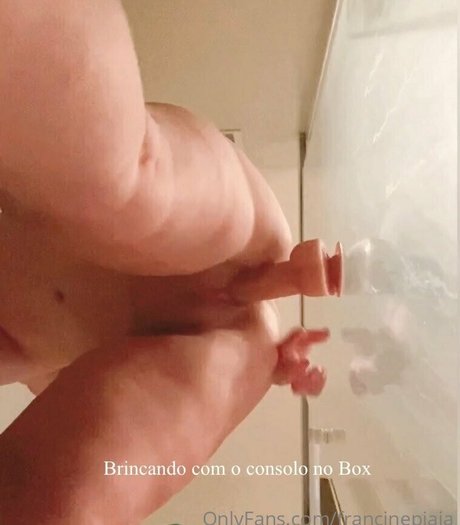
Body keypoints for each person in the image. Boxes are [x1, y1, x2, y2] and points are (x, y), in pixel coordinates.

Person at [0, 1, 327, 522]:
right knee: (127, 183)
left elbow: (62, 390)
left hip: (65, 332)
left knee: (54, 484)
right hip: (229, 250)